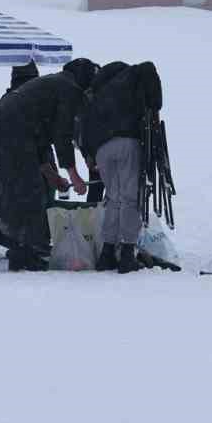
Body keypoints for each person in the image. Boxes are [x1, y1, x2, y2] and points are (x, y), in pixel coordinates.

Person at [0, 58, 97, 271]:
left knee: (22, 191)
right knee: (27, 193)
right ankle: (24, 255)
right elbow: (62, 135)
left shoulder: (56, 85)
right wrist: (74, 175)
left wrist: (52, 175)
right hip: (10, 133)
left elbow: (40, 137)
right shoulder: (69, 89)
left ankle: (24, 250)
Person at [79, 61, 162, 273]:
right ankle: (127, 253)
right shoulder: (131, 75)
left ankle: (107, 253)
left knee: (114, 199)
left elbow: (82, 125)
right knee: (130, 198)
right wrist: (155, 109)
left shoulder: (95, 94)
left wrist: (89, 154)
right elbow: (148, 67)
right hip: (127, 142)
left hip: (101, 150)